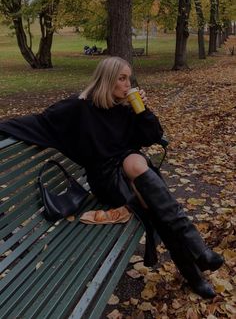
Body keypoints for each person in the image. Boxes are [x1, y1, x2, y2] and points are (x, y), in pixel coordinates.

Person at [0, 56, 224, 298]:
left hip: (133, 171)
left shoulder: (126, 108)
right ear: (107, 80)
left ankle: (198, 261)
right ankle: (198, 259)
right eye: (122, 78)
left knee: (140, 172)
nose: (128, 84)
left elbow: (152, 135)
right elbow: (39, 122)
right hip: (106, 179)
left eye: (129, 78)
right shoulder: (79, 108)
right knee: (143, 177)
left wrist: (143, 111)